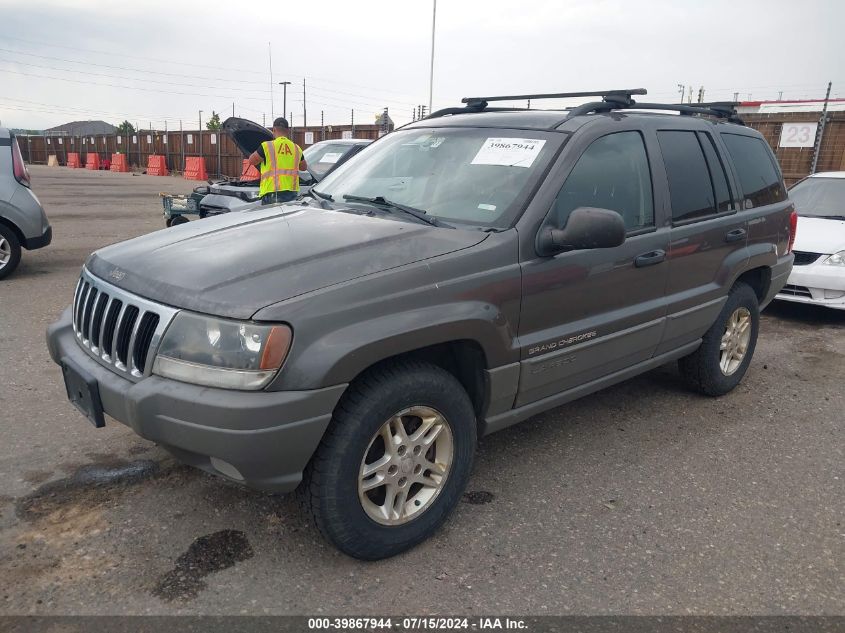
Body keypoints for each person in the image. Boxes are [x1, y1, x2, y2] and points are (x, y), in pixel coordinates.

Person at [247, 117, 308, 205]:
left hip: (272, 192)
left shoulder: (267, 146)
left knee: (273, 218)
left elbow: (252, 161)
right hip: (292, 193)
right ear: (288, 130)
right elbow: (303, 167)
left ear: (274, 129)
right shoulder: (296, 148)